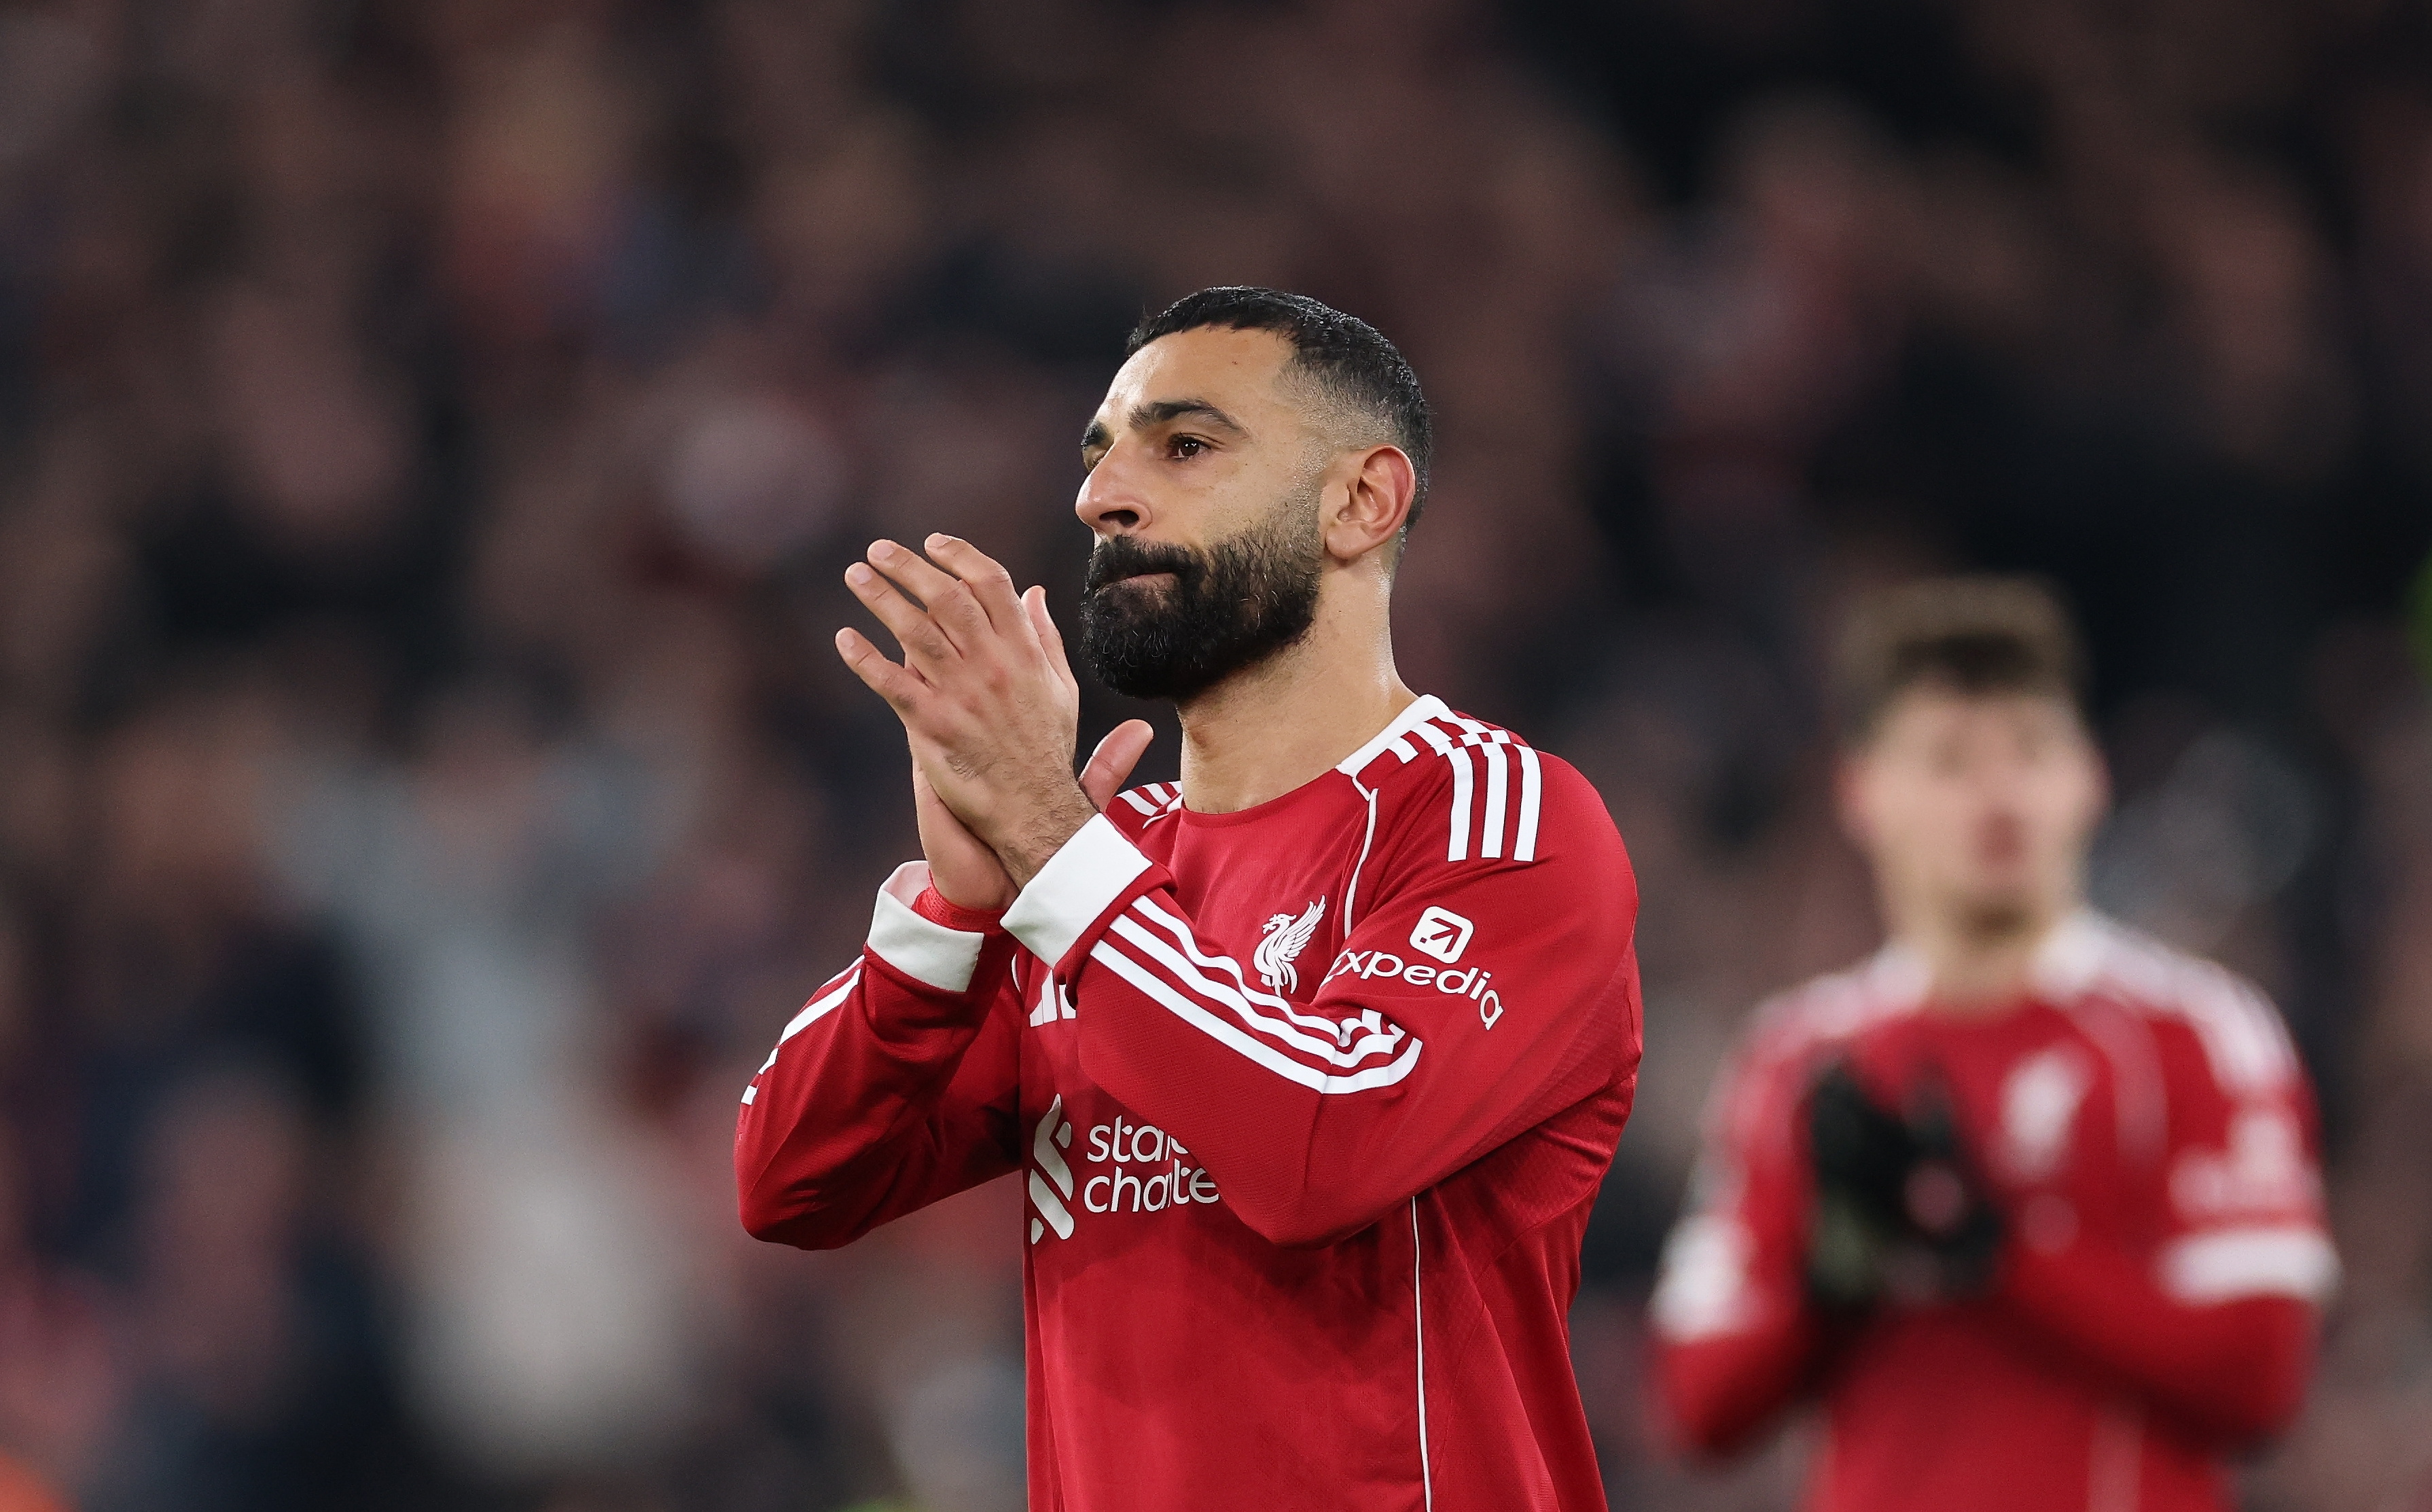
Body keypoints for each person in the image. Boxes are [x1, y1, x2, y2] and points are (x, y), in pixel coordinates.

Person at [736, 288, 1644, 1510]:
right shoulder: (1100, 870)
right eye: (1101, 452)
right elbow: (791, 1179)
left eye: (1186, 446)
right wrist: (955, 917)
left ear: (1361, 500)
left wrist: (1056, 851)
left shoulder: (1496, 819)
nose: (1104, 495)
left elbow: (1323, 1144)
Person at [1647, 577, 2336, 1510]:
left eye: (2031, 749)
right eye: (1950, 759)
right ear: (1863, 791)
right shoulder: (1797, 1058)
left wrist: (1999, 1248)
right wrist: (1835, 1276)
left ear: (2088, 776)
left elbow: (2262, 1375)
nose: (1999, 793)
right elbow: (1698, 1409)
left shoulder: (2198, 1033)